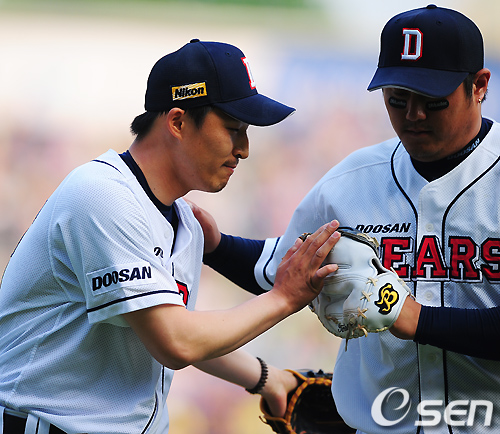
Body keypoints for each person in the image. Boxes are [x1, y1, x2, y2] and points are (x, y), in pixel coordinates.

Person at [0, 39, 342, 434]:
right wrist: (283, 298)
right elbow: (176, 342)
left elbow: (174, 329)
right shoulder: (101, 195)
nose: (244, 149)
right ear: (178, 122)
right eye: (233, 129)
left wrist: (268, 378)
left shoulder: (184, 219)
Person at [196, 5, 500, 433]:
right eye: (398, 99)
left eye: (433, 101)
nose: (413, 115)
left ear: (479, 85)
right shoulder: (351, 181)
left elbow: (409, 317)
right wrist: (215, 246)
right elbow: (285, 268)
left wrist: (412, 317)